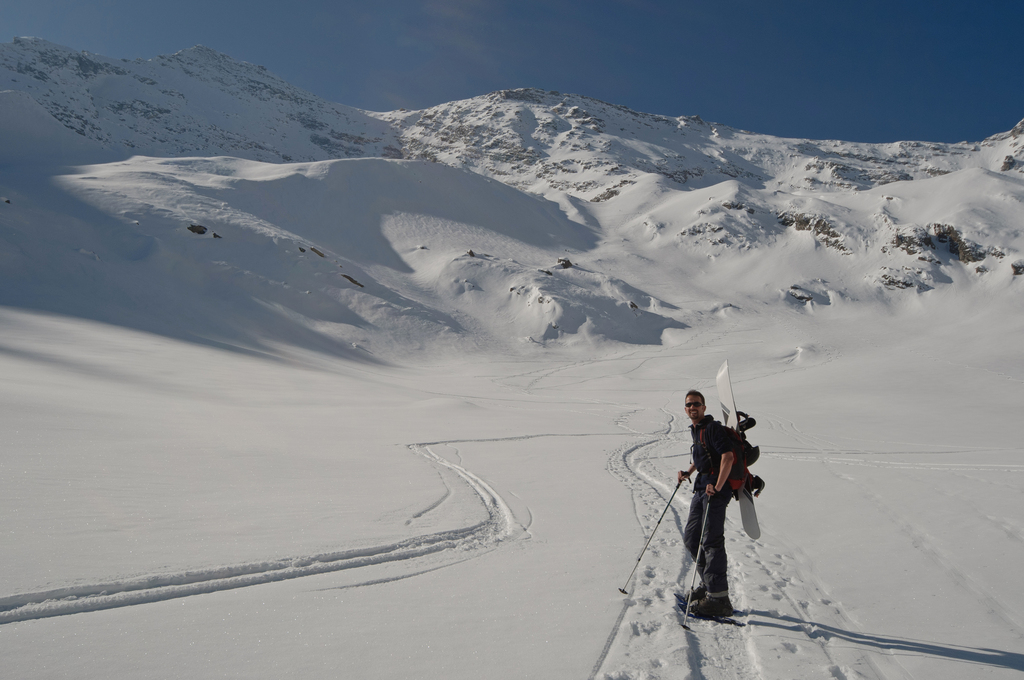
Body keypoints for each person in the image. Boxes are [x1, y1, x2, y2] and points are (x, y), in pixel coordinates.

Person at [677, 389, 736, 617]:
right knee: (692, 538)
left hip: (715, 491)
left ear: (704, 407)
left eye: (697, 404)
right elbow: (703, 456)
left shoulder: (712, 428)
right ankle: (708, 584)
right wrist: (688, 471)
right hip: (701, 488)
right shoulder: (696, 429)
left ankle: (719, 599)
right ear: (685, 409)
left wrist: (718, 487)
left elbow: (727, 457)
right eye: (689, 404)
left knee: (711, 541)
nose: (693, 408)